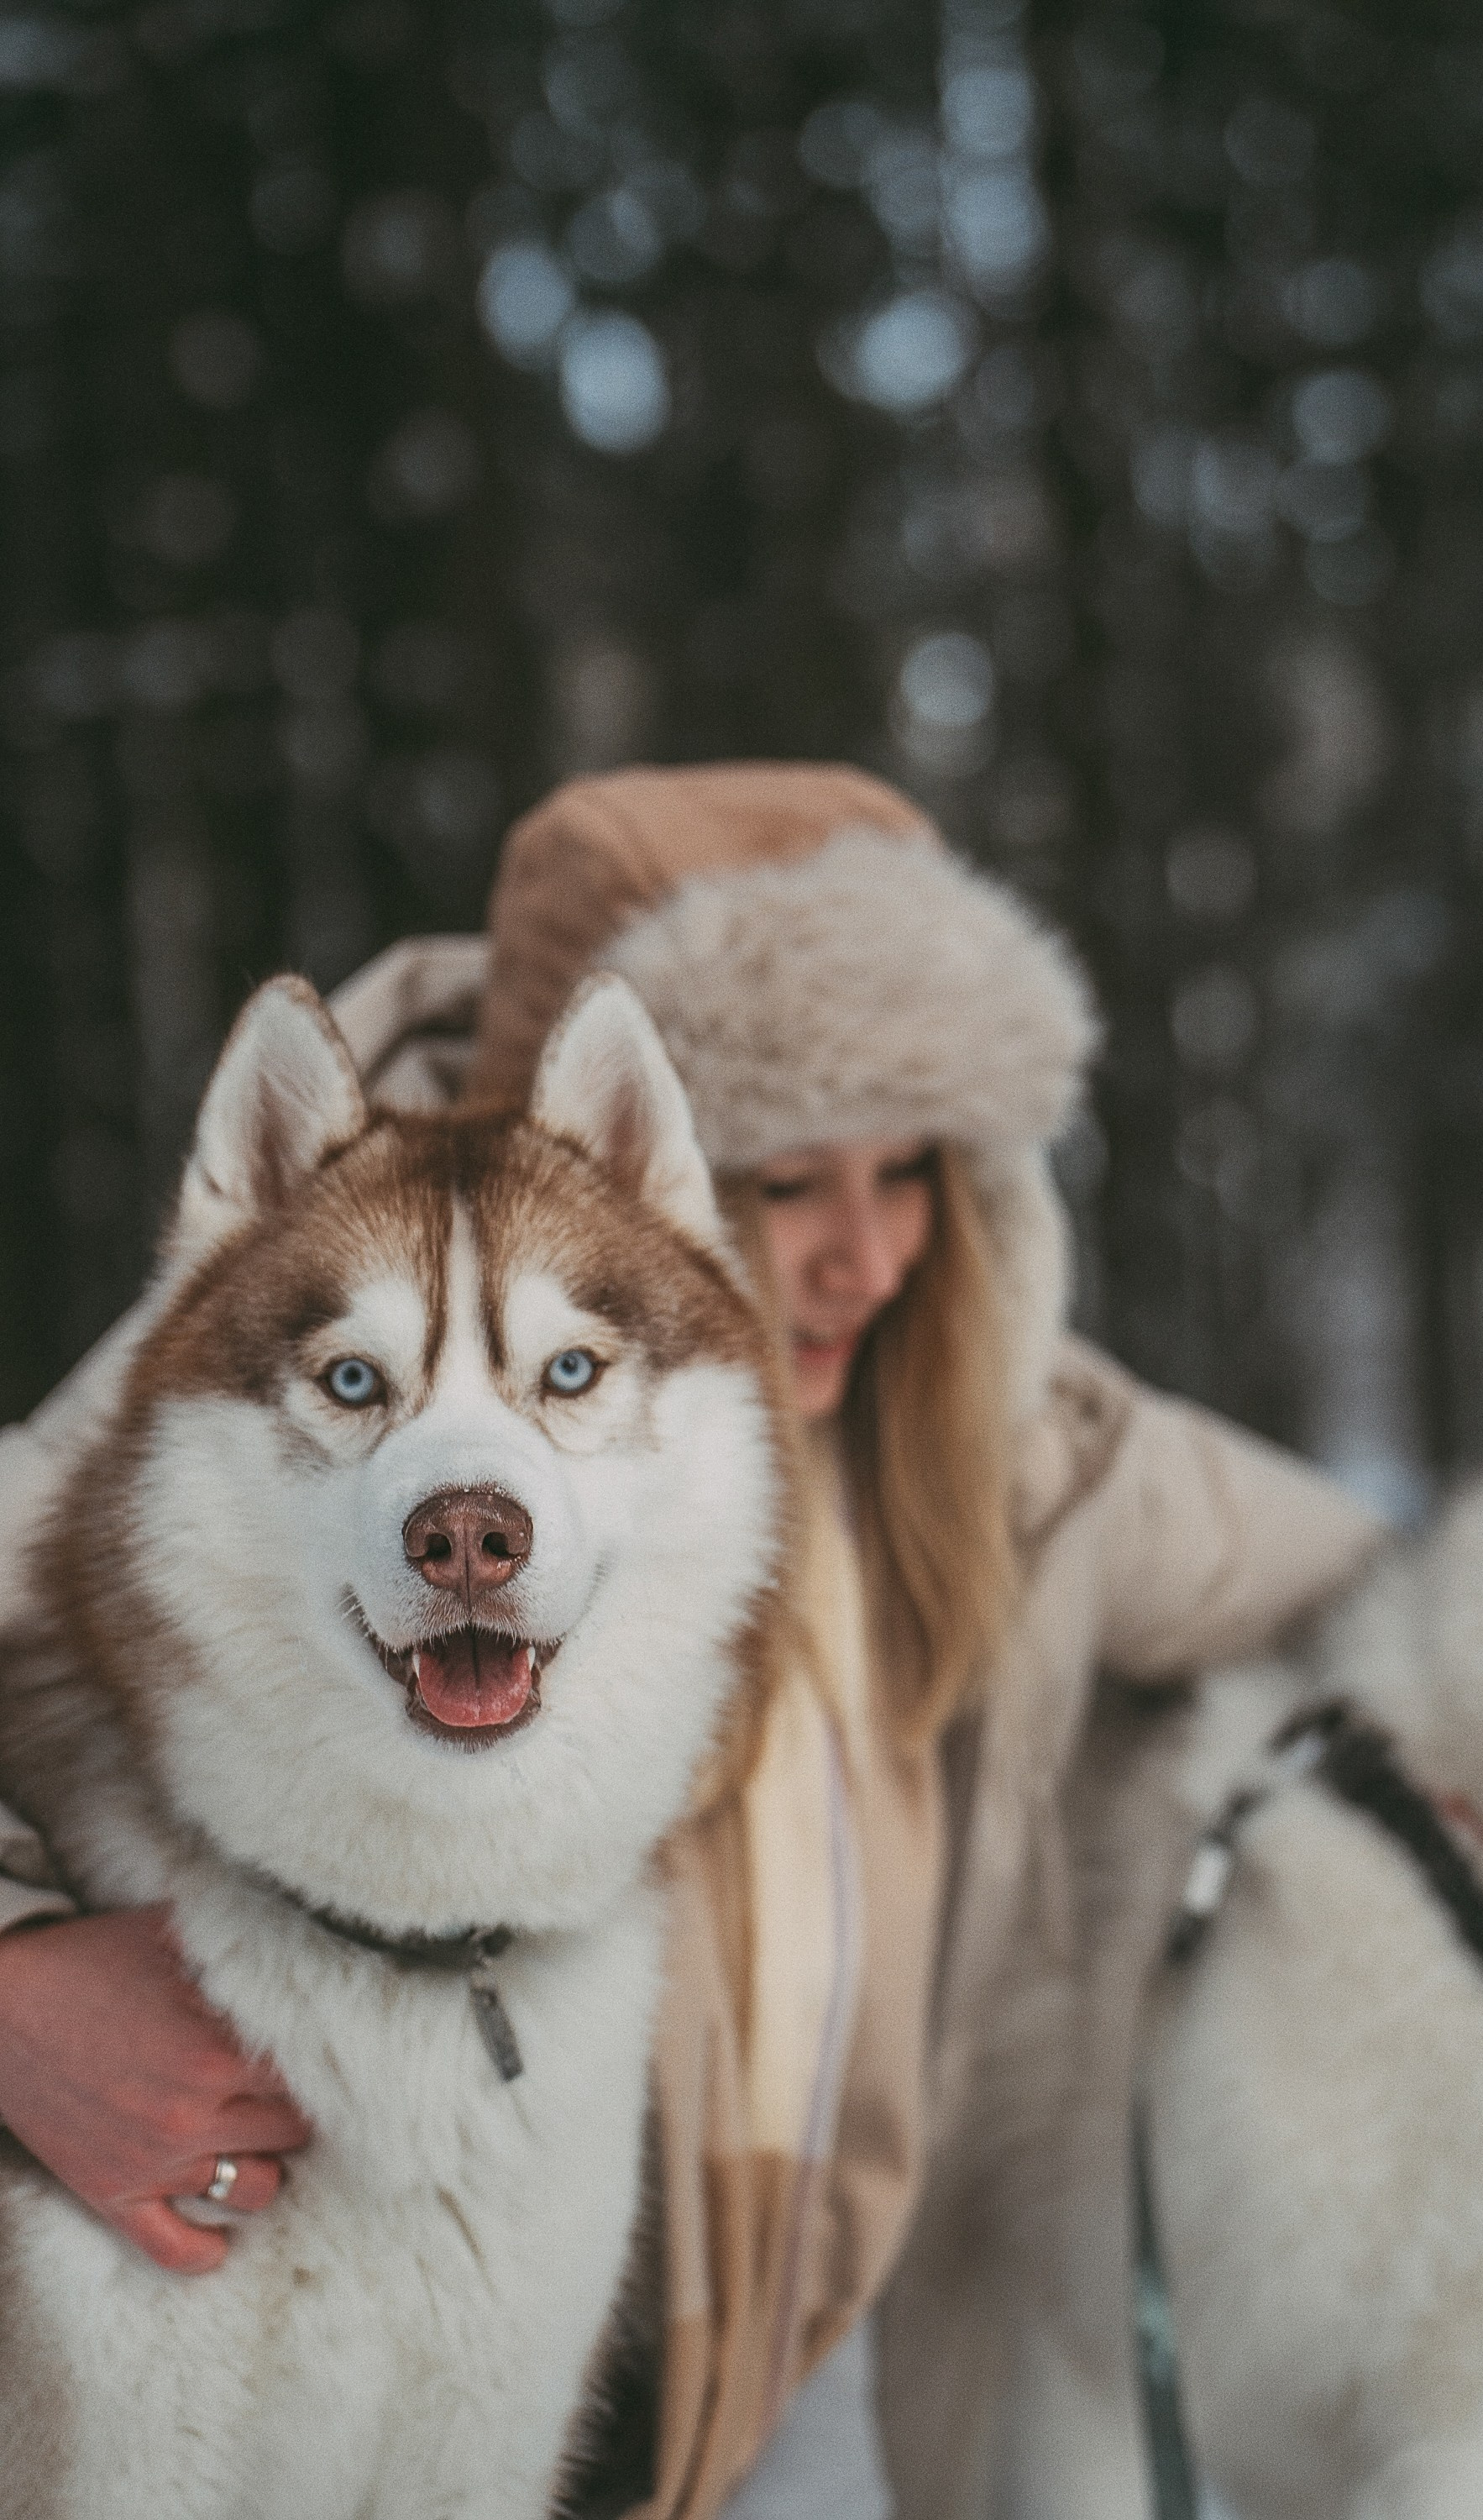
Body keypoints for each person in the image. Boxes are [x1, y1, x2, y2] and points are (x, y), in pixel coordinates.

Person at [0, 762, 1381, 2518]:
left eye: (917, 1175)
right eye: (786, 1183)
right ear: (642, 1154)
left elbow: (1441, 1616)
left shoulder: (1019, 1448)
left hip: (765, 2412)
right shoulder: (271, 1336)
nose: (866, 1258)